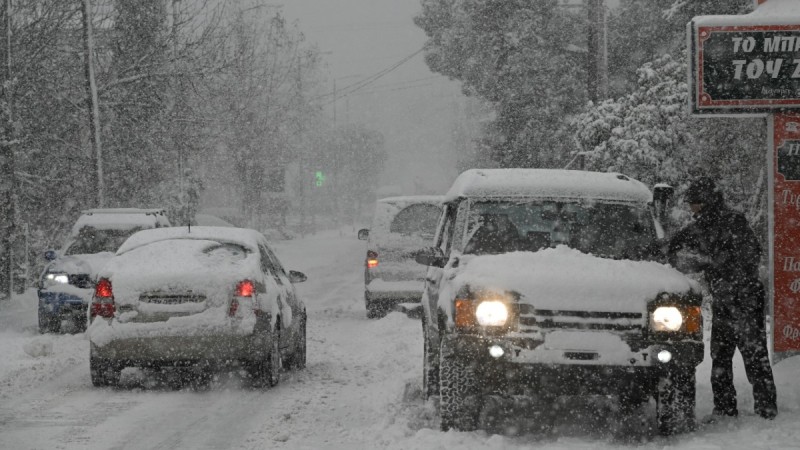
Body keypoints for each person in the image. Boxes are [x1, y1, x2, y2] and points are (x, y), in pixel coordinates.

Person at [667, 177, 777, 421]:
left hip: (743, 299)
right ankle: (733, 407)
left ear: (706, 201)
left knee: (749, 354)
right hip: (728, 299)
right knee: (725, 355)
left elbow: (749, 256)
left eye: (694, 202)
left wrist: (714, 265)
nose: (691, 208)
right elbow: (674, 246)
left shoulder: (731, 222)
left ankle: (760, 408)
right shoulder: (704, 226)